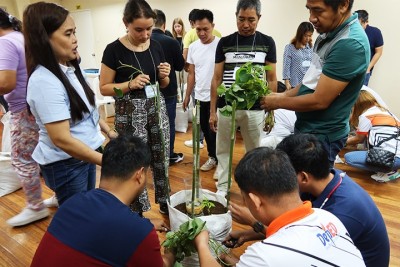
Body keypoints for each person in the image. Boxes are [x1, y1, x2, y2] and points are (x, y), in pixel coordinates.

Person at [226, 133, 390, 267]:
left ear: (303, 176)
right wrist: (248, 234)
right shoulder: (327, 177)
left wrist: (254, 223)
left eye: (285, 171)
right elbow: (297, 228)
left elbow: (300, 247)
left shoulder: (340, 212)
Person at [31, 135, 174, 266]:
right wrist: (170, 253)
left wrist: (145, 224)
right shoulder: (141, 234)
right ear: (140, 175)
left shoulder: (71, 203)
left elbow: (100, 231)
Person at [209, 147, 366, 266]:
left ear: (255, 201)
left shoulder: (263, 256)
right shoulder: (326, 217)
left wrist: (202, 244)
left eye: (244, 199)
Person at [261, 0, 370, 167]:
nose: (311, 18)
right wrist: (281, 95)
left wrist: (276, 102)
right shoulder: (326, 35)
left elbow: (320, 100)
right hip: (307, 129)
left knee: (311, 190)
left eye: (318, 11)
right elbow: (308, 84)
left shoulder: (349, 43)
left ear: (343, 5)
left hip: (322, 136)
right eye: (309, 10)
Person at [23, 3, 105, 208]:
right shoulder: (44, 81)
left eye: (74, 32)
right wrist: (106, 161)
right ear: (44, 39)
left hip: (83, 154)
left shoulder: (69, 67)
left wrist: (109, 133)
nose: (75, 39)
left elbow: (87, 111)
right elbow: (61, 139)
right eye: (68, 34)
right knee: (78, 215)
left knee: (87, 207)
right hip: (66, 163)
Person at [99, 0, 171, 215]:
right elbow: (104, 88)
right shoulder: (113, 50)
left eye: (149, 28)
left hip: (157, 110)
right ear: (126, 23)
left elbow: (162, 84)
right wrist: (128, 85)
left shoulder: (156, 46)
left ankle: (165, 201)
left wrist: (166, 76)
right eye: (139, 29)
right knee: (134, 162)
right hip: (130, 114)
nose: (146, 34)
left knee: (162, 157)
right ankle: (136, 209)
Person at [210, 0, 278, 194]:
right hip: (227, 107)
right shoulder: (225, 42)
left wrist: (271, 111)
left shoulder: (267, 42)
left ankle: (253, 187)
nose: (246, 25)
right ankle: (223, 186)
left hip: (255, 108)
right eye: (241, 19)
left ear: (259, 18)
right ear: (236, 16)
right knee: (223, 150)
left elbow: (272, 78)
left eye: (251, 20)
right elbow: (216, 78)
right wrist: (213, 111)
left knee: (255, 151)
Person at [0, 8, 49, 227]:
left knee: (22, 159)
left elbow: (6, 83)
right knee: (46, 153)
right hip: (36, 105)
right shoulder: (20, 37)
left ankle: (35, 207)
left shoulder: (6, 43)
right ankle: (57, 193)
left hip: (22, 108)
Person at [183, 9, 220, 172]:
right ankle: (213, 157)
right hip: (200, 96)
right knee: (205, 128)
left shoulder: (220, 44)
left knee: (218, 130)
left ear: (212, 26)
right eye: (198, 29)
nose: (202, 33)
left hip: (219, 96)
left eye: (206, 29)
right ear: (193, 27)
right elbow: (191, 74)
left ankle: (221, 160)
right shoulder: (193, 47)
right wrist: (186, 96)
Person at [152, 9, 185, 166]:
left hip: (148, 90)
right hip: (168, 90)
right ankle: (169, 154)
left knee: (151, 124)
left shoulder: (141, 41)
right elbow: (179, 66)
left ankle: (153, 156)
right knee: (169, 123)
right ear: (164, 24)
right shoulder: (171, 41)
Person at [345, 90, 400, 182]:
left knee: (349, 158)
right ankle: (390, 167)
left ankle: (388, 171)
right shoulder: (387, 113)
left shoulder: (366, 116)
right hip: (397, 154)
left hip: (390, 158)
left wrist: (341, 141)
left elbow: (358, 139)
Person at [355, 10, 384, 86]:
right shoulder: (351, 30)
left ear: (366, 22)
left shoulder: (375, 32)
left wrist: (368, 68)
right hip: (350, 69)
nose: (356, 27)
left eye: (359, 25)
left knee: (361, 96)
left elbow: (379, 52)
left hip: (364, 72)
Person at [282, 21, 314, 89]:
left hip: (308, 85)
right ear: (300, 34)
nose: (308, 38)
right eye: (305, 35)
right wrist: (287, 83)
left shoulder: (311, 48)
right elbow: (286, 66)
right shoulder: (290, 48)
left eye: (310, 35)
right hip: (294, 85)